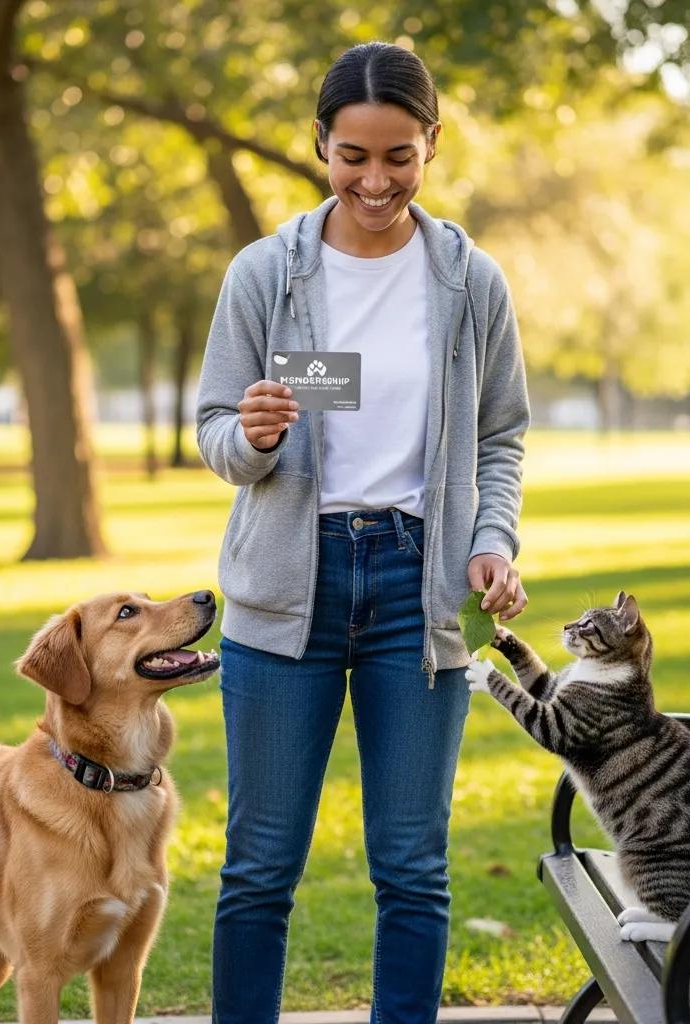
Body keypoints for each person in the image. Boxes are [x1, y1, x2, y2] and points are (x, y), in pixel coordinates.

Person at [195, 41, 530, 1024]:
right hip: (284, 592)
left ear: (430, 144)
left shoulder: (471, 282)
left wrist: (493, 537)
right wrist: (249, 438)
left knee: (412, 867)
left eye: (398, 156)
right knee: (258, 868)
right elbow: (216, 426)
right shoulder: (265, 273)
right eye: (352, 156)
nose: (374, 180)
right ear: (321, 146)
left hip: (416, 591)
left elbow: (500, 433)